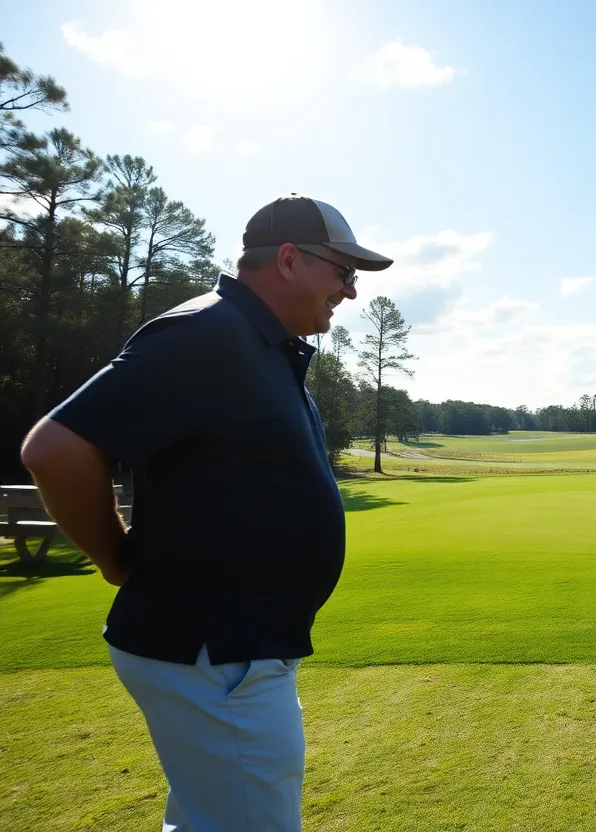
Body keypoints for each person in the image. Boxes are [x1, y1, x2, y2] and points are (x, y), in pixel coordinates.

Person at [20, 193, 393, 831]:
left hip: (231, 653)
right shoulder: (208, 335)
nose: (350, 292)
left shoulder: (254, 344)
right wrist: (114, 558)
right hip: (215, 654)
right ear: (287, 259)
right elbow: (55, 449)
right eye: (342, 272)